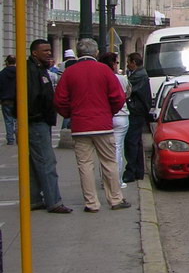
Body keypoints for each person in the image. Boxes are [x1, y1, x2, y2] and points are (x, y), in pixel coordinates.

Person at [55, 38, 130, 213]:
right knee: (109, 162)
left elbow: (60, 100)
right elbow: (118, 97)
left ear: (79, 52)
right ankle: (115, 199)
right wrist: (108, 112)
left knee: (85, 165)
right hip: (103, 124)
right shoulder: (104, 70)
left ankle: (91, 203)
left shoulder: (69, 72)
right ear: (96, 53)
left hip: (80, 125)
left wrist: (70, 113)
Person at [24, 39, 71, 213]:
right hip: (37, 121)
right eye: (44, 50)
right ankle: (54, 201)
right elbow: (35, 97)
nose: (49, 53)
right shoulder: (32, 70)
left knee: (36, 162)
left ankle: (35, 198)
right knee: (47, 162)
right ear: (34, 53)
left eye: (49, 50)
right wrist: (43, 113)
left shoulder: (39, 69)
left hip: (40, 121)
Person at [99, 51, 131, 185]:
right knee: (117, 148)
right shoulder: (121, 78)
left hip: (105, 116)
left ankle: (105, 180)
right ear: (112, 64)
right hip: (121, 115)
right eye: (116, 62)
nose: (117, 65)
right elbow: (127, 93)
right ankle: (116, 180)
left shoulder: (100, 77)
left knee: (104, 151)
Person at [123, 52, 151, 182]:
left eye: (129, 62)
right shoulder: (139, 74)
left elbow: (128, 90)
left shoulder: (138, 76)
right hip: (139, 111)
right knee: (137, 142)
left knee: (131, 141)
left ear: (134, 62)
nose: (127, 65)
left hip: (136, 112)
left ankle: (131, 171)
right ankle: (138, 171)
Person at [0, 54, 16, 144]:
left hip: (6, 100)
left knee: (8, 120)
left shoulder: (2, 74)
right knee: (18, 120)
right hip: (18, 100)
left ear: (6, 62)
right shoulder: (21, 72)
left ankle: (10, 139)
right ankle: (19, 138)